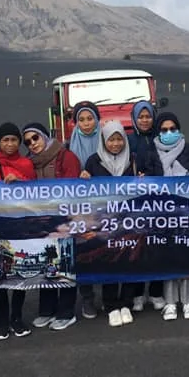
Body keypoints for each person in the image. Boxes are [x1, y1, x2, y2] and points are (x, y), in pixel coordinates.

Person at [142, 111, 189, 321]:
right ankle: (170, 303)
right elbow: (146, 181)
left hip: (186, 212)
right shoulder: (150, 153)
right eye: (164, 130)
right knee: (167, 257)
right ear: (158, 132)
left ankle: (187, 301)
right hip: (162, 214)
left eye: (173, 129)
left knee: (186, 256)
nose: (169, 133)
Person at [22, 122, 82, 330]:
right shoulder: (29, 162)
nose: (32, 144)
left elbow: (72, 187)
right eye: (27, 142)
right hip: (42, 222)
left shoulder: (65, 156)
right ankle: (47, 310)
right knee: (46, 263)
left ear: (44, 137)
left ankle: (66, 312)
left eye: (35, 138)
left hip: (65, 219)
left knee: (65, 264)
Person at [82, 120, 141, 327]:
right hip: (105, 221)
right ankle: (111, 305)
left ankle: (126, 303)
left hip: (129, 220)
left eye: (119, 139)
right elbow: (85, 192)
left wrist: (142, 179)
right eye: (111, 140)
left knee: (129, 259)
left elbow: (144, 186)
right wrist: (84, 178)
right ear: (103, 141)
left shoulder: (133, 159)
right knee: (110, 260)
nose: (115, 144)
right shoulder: (94, 161)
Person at [0, 122, 36, 340]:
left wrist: (20, 181)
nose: (10, 144)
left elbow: (35, 191)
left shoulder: (26, 164)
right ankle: (2, 320)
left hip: (19, 226)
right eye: (5, 140)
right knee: (0, 276)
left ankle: (16, 317)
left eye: (14, 140)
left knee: (19, 274)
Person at [128, 100, 165, 311]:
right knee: (137, 247)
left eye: (148, 116)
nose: (144, 120)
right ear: (134, 118)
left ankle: (156, 292)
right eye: (140, 117)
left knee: (157, 246)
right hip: (136, 204)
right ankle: (138, 293)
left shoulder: (161, 137)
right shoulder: (128, 140)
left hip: (159, 202)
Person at [66, 101, 101, 316]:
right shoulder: (67, 147)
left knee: (107, 247)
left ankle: (111, 296)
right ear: (75, 123)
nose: (86, 123)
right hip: (79, 207)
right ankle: (88, 298)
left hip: (103, 206)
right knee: (84, 250)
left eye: (90, 119)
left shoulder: (108, 140)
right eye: (81, 119)